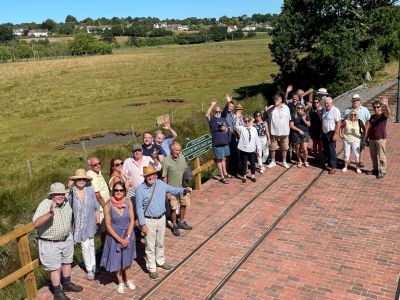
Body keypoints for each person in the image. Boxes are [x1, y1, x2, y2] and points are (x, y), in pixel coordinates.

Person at [136, 165, 192, 280]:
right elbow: (139, 209)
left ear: (156, 175)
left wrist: (184, 190)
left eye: (152, 174)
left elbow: (173, 189)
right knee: (150, 246)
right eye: (148, 175)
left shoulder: (161, 184)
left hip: (161, 218)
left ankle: (160, 261)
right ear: (145, 177)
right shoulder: (140, 190)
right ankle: (152, 268)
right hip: (148, 220)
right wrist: (143, 224)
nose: (150, 177)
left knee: (160, 242)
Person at [33, 183, 83, 300]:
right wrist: (50, 213)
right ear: (52, 195)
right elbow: (36, 223)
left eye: (62, 193)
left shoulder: (65, 201)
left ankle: (66, 284)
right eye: (57, 194)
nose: (60, 196)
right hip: (50, 242)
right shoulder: (45, 204)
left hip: (66, 239)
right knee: (55, 268)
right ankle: (57, 292)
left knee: (67, 262)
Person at [100, 182, 136, 294]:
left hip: (128, 234)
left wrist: (128, 236)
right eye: (116, 190)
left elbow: (131, 220)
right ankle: (120, 282)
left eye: (121, 190)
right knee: (116, 259)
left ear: (124, 191)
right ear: (113, 191)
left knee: (127, 258)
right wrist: (120, 240)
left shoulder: (129, 202)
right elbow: (108, 226)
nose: (119, 192)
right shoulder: (108, 205)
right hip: (114, 236)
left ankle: (128, 280)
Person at [67, 169, 100, 280]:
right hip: (79, 225)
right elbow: (67, 205)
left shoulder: (90, 189)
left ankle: (94, 264)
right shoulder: (72, 192)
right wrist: (69, 186)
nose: (81, 181)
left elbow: (96, 206)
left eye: (83, 179)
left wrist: (98, 221)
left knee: (92, 244)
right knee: (85, 246)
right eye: (79, 179)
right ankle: (89, 269)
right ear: (75, 181)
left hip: (91, 222)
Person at [162, 141, 192, 236]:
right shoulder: (166, 161)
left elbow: (186, 171)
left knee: (184, 204)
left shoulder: (183, 157)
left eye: (179, 150)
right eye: (176, 150)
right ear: (171, 149)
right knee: (173, 208)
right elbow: (164, 177)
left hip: (183, 187)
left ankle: (182, 221)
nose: (178, 152)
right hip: (172, 189)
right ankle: (174, 225)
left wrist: (188, 184)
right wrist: (166, 191)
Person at [205, 100, 231, 183]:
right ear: (214, 112)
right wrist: (212, 105)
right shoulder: (212, 120)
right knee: (219, 160)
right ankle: (222, 176)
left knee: (224, 158)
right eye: (217, 111)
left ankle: (225, 173)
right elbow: (207, 115)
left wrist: (228, 102)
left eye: (219, 111)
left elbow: (227, 109)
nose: (218, 112)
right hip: (218, 143)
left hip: (225, 142)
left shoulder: (223, 118)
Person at [365, 97, 391, 179]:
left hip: (381, 139)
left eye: (378, 107)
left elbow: (389, 112)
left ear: (380, 107)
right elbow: (369, 127)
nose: (376, 109)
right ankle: (375, 169)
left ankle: (382, 171)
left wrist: (386, 105)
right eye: (375, 107)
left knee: (382, 156)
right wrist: (366, 137)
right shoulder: (372, 117)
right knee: (373, 156)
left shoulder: (383, 115)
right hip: (372, 139)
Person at [343, 94, 371, 167]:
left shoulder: (365, 110)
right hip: (349, 132)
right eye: (353, 100)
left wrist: (366, 130)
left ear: (359, 101)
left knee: (360, 147)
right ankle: (347, 160)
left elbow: (368, 120)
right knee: (349, 147)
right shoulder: (347, 110)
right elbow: (343, 121)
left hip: (360, 132)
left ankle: (360, 161)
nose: (355, 102)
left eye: (356, 100)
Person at [266, 94, 291, 169]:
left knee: (285, 147)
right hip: (274, 131)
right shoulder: (271, 107)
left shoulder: (286, 107)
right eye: (275, 99)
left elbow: (289, 119)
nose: (276, 100)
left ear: (281, 99)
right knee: (273, 148)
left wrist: (288, 129)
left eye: (277, 99)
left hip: (285, 131)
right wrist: (274, 106)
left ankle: (284, 161)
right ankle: (273, 161)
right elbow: (268, 112)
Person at [321, 97, 341, 174]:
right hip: (324, 132)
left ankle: (333, 166)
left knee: (332, 149)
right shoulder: (324, 110)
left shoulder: (335, 111)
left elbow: (338, 123)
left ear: (331, 103)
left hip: (331, 132)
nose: (326, 105)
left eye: (328, 103)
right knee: (326, 149)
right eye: (325, 103)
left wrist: (336, 134)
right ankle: (328, 162)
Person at [236, 116, 259, 183]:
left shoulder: (253, 129)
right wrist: (238, 118)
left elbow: (256, 138)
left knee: (252, 163)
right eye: (245, 121)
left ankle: (253, 176)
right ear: (243, 122)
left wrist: (257, 147)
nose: (247, 123)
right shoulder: (242, 128)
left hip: (251, 148)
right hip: (244, 148)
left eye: (248, 121)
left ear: (250, 121)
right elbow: (236, 126)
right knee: (244, 163)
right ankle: (244, 176)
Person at [87, 157, 109, 223]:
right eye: (95, 164)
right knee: (102, 227)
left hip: (105, 205)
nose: (98, 165)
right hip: (101, 208)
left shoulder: (98, 172)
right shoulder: (91, 175)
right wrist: (106, 208)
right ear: (90, 166)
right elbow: (98, 195)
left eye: (99, 163)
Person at [222, 94, 239, 177]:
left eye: (232, 106)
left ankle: (235, 169)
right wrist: (228, 102)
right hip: (227, 136)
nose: (230, 108)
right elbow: (224, 111)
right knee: (229, 154)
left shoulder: (232, 114)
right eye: (229, 106)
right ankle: (230, 170)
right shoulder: (224, 114)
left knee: (234, 152)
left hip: (233, 136)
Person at [290, 103, 311, 168]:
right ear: (296, 108)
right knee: (298, 148)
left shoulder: (306, 115)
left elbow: (309, 125)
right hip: (296, 134)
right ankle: (300, 161)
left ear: (303, 109)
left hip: (305, 133)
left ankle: (305, 161)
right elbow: (291, 125)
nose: (300, 109)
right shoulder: (293, 115)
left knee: (305, 149)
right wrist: (298, 130)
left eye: (301, 108)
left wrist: (303, 119)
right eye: (298, 108)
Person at [308, 97, 323, 162]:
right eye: (315, 102)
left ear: (319, 103)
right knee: (314, 143)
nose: (316, 104)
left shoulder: (322, 110)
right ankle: (315, 157)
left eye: (317, 102)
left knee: (320, 143)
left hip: (320, 128)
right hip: (313, 129)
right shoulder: (311, 111)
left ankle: (320, 156)